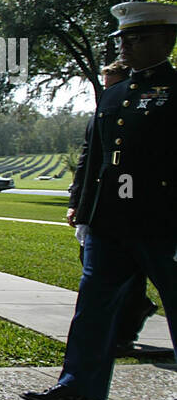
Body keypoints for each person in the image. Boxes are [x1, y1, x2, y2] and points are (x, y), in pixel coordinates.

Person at [25, 1, 177, 400]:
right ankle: (77, 386)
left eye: (138, 37)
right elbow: (96, 161)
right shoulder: (115, 94)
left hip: (163, 220)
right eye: (123, 38)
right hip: (112, 221)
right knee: (94, 304)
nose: (126, 45)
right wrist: (86, 211)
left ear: (168, 40)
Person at [67, 60, 163, 360]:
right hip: (106, 212)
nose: (107, 91)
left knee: (136, 281)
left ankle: (127, 326)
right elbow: (90, 163)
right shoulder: (105, 107)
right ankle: (78, 383)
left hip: (152, 214)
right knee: (96, 293)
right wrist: (79, 207)